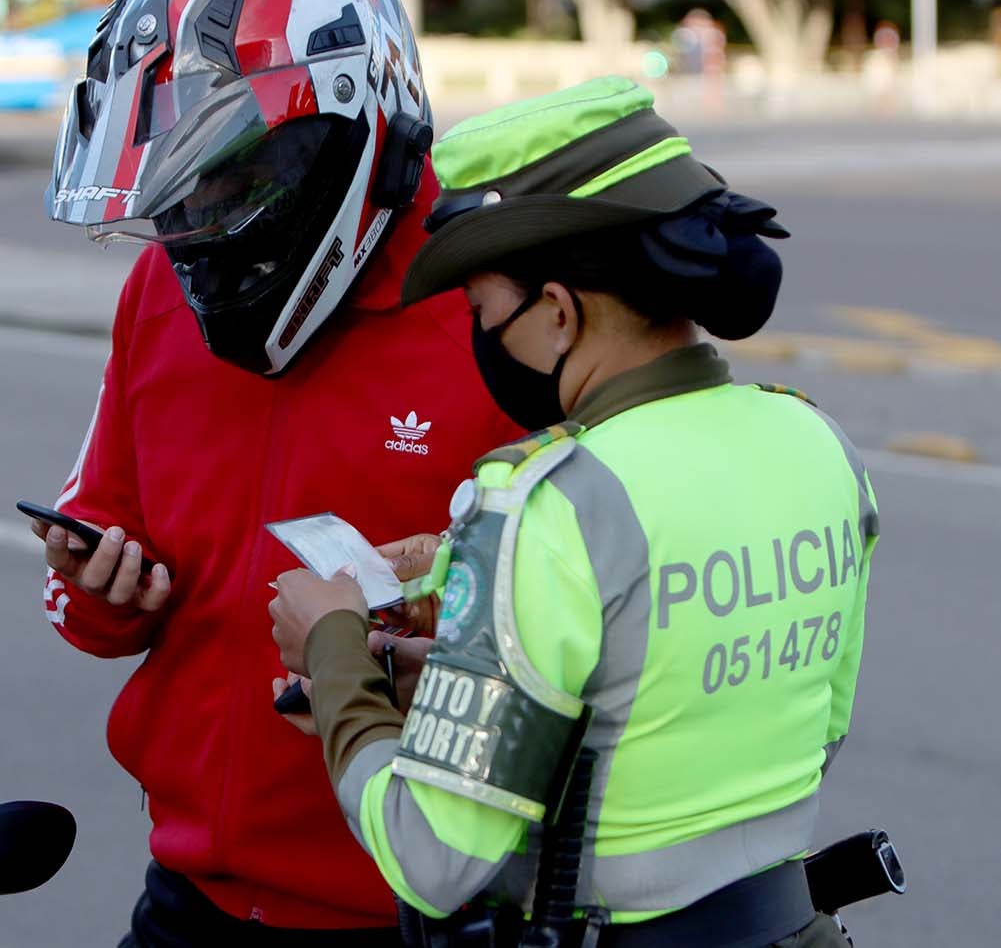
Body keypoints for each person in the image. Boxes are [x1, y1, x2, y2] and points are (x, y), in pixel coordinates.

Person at [270, 77, 878, 948]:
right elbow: (797, 731)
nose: (486, 341)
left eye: (485, 313)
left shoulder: (542, 503)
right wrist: (436, 683)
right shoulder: (819, 444)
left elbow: (432, 855)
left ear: (556, 311)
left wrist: (335, 660)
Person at [35, 0, 518, 943]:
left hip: (412, 905)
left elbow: (581, 644)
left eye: (230, 177)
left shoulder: (490, 310)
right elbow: (91, 540)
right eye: (177, 193)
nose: (196, 222)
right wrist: (100, 587)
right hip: (190, 894)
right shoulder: (164, 288)